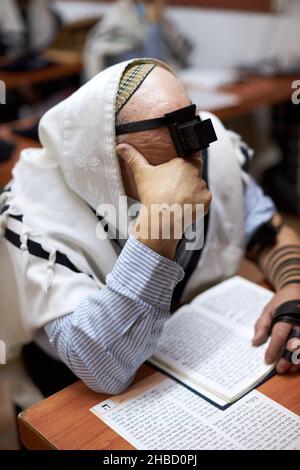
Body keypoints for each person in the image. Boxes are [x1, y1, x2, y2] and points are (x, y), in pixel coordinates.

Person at [0, 59, 299, 404]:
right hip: (76, 388)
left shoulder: (209, 154)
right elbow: (103, 369)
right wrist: (160, 226)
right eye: (165, 167)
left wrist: (292, 286)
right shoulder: (35, 207)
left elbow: (269, 231)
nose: (188, 178)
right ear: (106, 159)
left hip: (194, 355)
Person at [84, 0, 192, 80]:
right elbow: (152, 67)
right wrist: (154, 24)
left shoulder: (159, 18)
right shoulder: (119, 21)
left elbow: (183, 55)